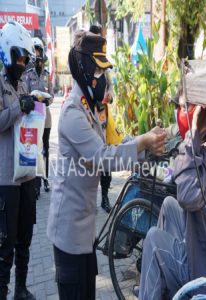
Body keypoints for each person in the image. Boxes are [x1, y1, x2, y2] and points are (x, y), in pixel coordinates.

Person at [46, 31, 166, 300]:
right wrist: (142, 144)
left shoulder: (90, 108)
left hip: (84, 228)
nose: (104, 80)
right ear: (85, 70)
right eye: (99, 73)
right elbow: (103, 158)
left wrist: (146, 144)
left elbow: (116, 143)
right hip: (68, 232)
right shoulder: (72, 113)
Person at [137, 91, 206, 299]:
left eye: (185, 108)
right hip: (200, 240)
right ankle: (160, 281)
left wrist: (192, 133)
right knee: (168, 204)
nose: (179, 113)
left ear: (202, 113)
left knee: (154, 239)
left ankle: (153, 287)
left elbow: (187, 195)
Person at [0, 21, 37, 300]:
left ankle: (21, 288)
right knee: (6, 243)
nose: (23, 63)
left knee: (25, 237)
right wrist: (17, 107)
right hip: (6, 179)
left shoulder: (24, 82)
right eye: (20, 57)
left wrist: (36, 105)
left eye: (26, 58)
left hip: (27, 171)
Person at [22, 37, 54, 198]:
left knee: (45, 148)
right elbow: (25, 94)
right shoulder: (28, 75)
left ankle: (45, 178)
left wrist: (48, 99)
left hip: (45, 115)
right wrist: (33, 98)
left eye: (39, 50)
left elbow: (52, 95)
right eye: (35, 50)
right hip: (33, 116)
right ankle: (35, 182)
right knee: (33, 148)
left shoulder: (47, 75)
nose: (37, 53)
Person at [89, 24, 114, 213]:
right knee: (90, 157)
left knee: (106, 158)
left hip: (103, 116)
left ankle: (105, 197)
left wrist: (109, 96)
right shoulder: (86, 64)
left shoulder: (105, 66)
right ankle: (89, 198)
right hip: (88, 117)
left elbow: (111, 88)